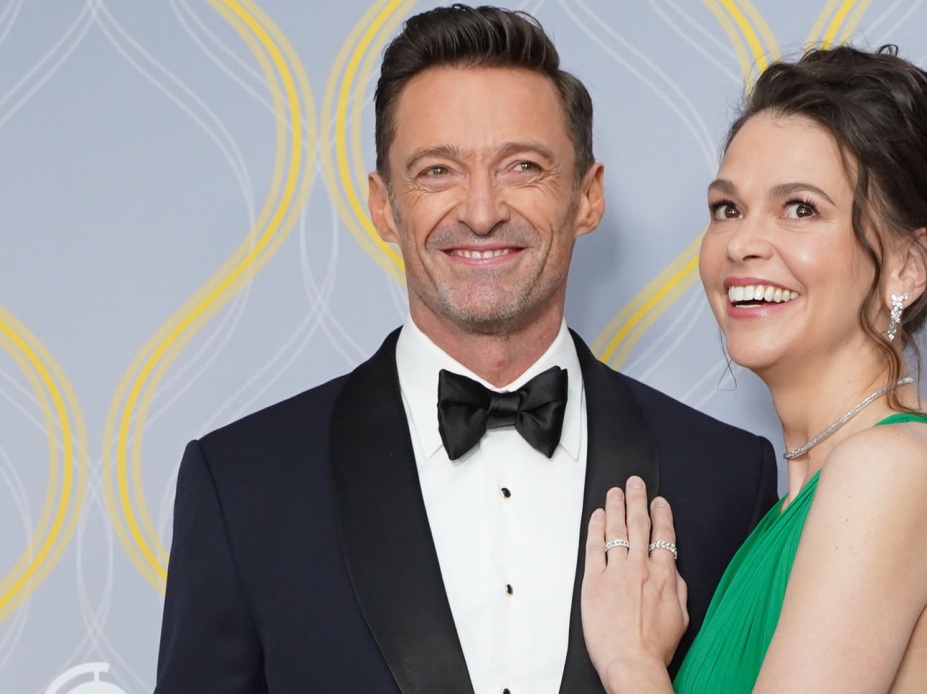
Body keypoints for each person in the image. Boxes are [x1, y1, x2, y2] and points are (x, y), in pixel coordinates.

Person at [153, 5, 777, 693]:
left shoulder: (725, 479)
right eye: (437, 172)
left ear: (586, 198)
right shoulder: (242, 483)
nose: (481, 211)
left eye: (522, 166)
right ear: (383, 205)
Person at [581, 44, 927, 693]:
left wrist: (630, 661)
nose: (742, 242)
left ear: (907, 267)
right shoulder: (802, 499)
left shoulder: (888, 469)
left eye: (799, 208)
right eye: (727, 208)